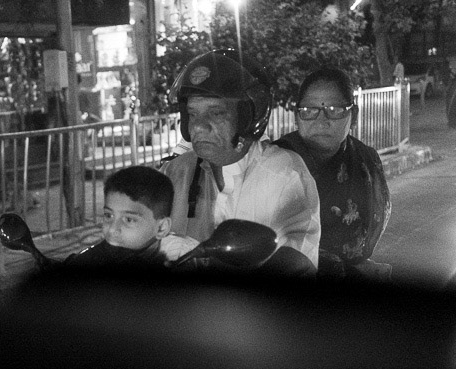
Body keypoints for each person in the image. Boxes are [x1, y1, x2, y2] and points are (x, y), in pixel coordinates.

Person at [160, 50, 321, 269]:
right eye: (192, 113)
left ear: (248, 117)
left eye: (216, 113)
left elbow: (297, 265)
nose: (198, 126)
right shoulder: (175, 172)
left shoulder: (284, 175)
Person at [273, 67, 391, 280]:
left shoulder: (366, 161)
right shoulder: (275, 163)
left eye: (335, 110)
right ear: (297, 116)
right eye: (309, 110)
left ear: (353, 116)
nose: (321, 121)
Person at [65, 165, 199, 268]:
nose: (112, 229)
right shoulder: (90, 259)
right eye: (108, 215)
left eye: (129, 220)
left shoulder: (188, 256)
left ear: (161, 228)